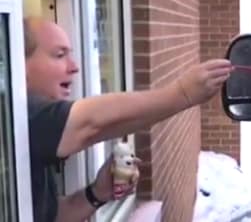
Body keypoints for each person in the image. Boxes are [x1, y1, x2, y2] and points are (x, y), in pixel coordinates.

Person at [23, 17, 232, 222]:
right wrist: (181, 93)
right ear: (18, 64)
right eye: (59, 55)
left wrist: (96, 193)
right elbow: (91, 124)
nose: (74, 67)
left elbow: (52, 215)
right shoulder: (23, 118)